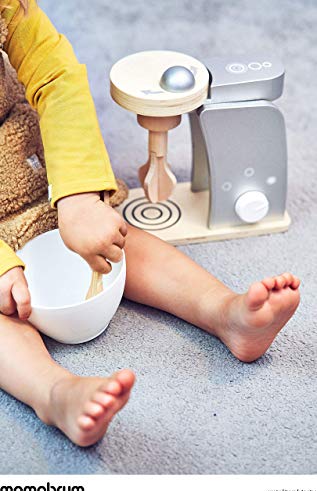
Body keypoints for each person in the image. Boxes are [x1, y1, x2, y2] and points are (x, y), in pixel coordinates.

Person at [0, 0, 300, 447]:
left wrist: (78, 196)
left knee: (121, 241)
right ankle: (55, 394)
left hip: (27, 168)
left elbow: (56, 78)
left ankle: (225, 313)